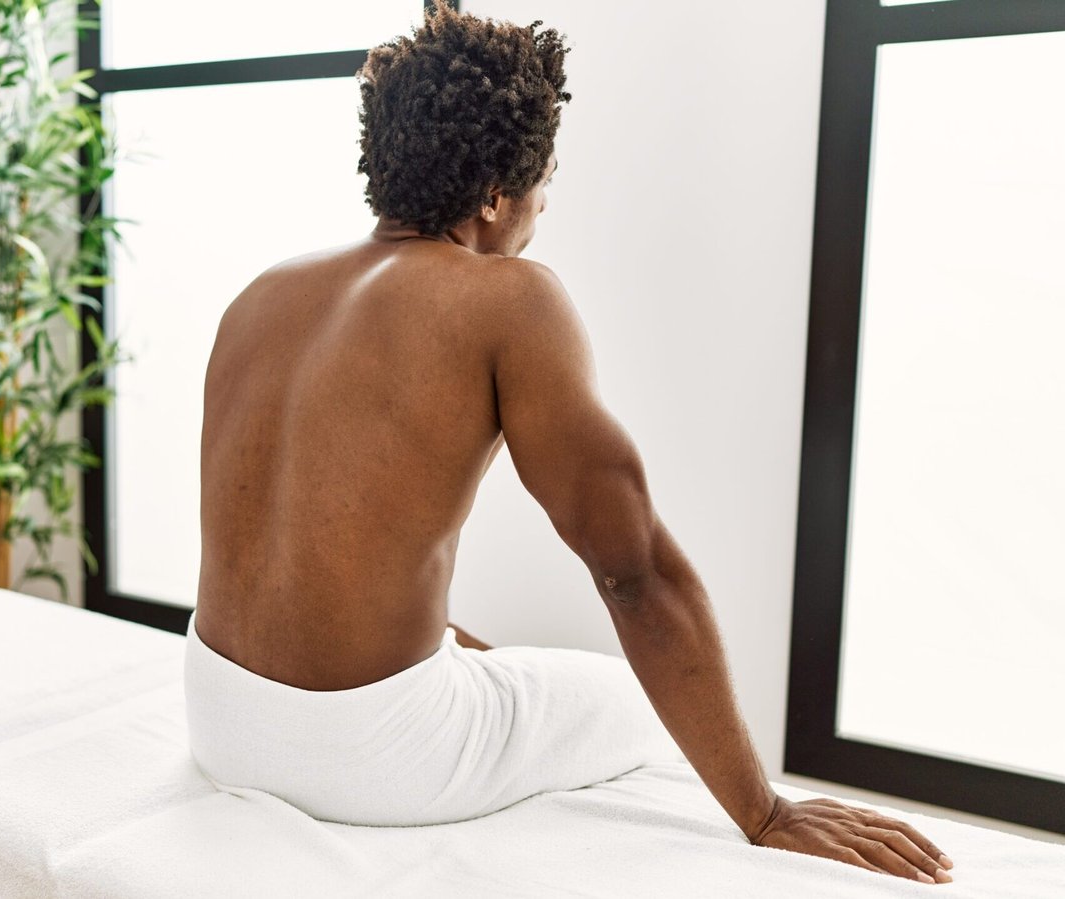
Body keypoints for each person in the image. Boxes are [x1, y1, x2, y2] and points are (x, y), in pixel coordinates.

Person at [184, 4, 954, 886]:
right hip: (369, 755)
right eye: (544, 182)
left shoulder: (261, 295)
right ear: (494, 194)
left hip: (217, 716)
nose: (544, 209)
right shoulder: (508, 298)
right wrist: (765, 807)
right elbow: (635, 573)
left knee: (483, 653)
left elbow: (285, 533)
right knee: (625, 701)